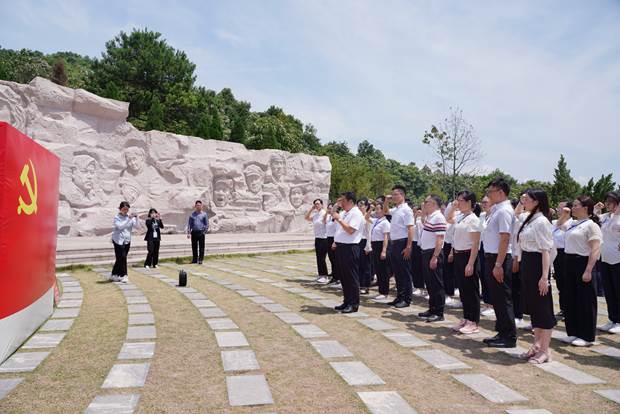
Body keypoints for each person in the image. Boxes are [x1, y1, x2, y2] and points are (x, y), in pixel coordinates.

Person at [514, 189, 556, 363]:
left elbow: (546, 250)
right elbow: (516, 215)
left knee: (543, 308)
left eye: (527, 199)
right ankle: (536, 345)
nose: (524, 202)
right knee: (533, 307)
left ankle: (545, 350)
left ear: (537, 201)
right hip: (527, 263)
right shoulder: (529, 218)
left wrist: (544, 277)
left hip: (538, 264)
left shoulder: (542, 221)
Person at [562, 196, 603, 346]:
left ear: (585, 208)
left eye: (576, 205)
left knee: (585, 300)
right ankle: (573, 332)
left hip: (583, 262)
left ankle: (587, 336)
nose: (572, 208)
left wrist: (588, 270)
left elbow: (595, 248)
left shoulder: (591, 225)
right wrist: (564, 215)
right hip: (569, 261)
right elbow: (558, 226)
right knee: (570, 298)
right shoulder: (572, 223)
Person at [482, 177, 517, 348]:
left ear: (501, 192)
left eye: (491, 192)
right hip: (492, 257)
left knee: (503, 298)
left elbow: (505, 238)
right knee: (497, 298)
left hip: (499, 259)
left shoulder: (504, 211)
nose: (489, 195)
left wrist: (498, 264)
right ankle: (502, 331)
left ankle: (509, 336)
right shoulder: (497, 209)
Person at [447, 191, 481, 334]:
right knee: (463, 290)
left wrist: (471, 263)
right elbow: (448, 218)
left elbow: (475, 243)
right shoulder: (461, 216)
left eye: (460, 200)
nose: (458, 203)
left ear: (469, 202)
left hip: (468, 255)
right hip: (458, 255)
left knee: (471, 290)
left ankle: (473, 321)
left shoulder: (473, 219)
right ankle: (466, 318)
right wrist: (452, 207)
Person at [332, 191, 365, 313]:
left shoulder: (356, 213)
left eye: (343, 201)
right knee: (344, 276)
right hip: (341, 247)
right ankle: (347, 301)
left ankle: (353, 304)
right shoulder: (344, 213)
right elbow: (339, 228)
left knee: (351, 276)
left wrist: (339, 219)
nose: (341, 203)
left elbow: (350, 230)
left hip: (350, 248)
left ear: (350, 201)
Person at [383, 186, 415, 308]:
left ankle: (406, 299)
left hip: (403, 242)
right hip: (394, 243)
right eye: (393, 195)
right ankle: (400, 296)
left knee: (404, 272)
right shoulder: (396, 209)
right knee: (397, 271)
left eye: (396, 194)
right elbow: (385, 211)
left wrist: (409, 246)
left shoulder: (406, 210)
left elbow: (410, 228)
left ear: (403, 195)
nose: (394, 197)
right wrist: (386, 201)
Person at [418, 194, 448, 322]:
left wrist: (435, 257)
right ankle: (432, 308)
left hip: (433, 253)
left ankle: (439, 312)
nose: (424, 204)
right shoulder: (431, 216)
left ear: (434, 204)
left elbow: (440, 239)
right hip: (426, 252)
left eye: (427, 202)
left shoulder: (439, 217)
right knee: (430, 283)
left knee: (436, 283)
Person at [597, 191, 620, 334]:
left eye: (611, 202)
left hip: (618, 259)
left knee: (618, 290)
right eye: (607, 202)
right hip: (605, 258)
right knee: (609, 291)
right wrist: (596, 209)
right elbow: (594, 219)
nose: (608, 204)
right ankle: (612, 318)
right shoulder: (605, 217)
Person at [552, 200, 573, 321]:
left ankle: (570, 309)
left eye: (561, 208)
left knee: (567, 283)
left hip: (567, 253)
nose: (558, 210)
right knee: (560, 283)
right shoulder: (554, 222)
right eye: (558, 208)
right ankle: (563, 308)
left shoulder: (572, 223)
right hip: (556, 254)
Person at [111, 201, 141, 283]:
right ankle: (124, 275)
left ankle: (114, 274)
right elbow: (120, 226)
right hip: (118, 240)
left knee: (120, 258)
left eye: (127, 209)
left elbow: (138, 227)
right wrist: (129, 219)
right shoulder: (117, 217)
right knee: (123, 257)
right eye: (124, 209)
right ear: (120, 209)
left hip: (127, 240)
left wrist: (137, 217)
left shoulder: (130, 217)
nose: (125, 211)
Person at [370, 202, 391, 300]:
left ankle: (384, 292)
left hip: (381, 246)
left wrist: (384, 251)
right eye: (376, 209)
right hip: (375, 246)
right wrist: (370, 209)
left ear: (384, 210)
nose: (377, 211)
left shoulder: (385, 222)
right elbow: (366, 218)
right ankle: (381, 291)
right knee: (378, 270)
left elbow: (386, 237)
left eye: (379, 209)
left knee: (384, 270)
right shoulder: (376, 221)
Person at [305, 199, 329, 283]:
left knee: (322, 258)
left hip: (324, 238)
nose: (316, 205)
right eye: (315, 204)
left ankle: (325, 275)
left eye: (318, 204)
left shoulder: (324, 213)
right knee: (318, 257)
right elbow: (306, 218)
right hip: (317, 238)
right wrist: (311, 209)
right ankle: (320, 275)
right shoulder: (316, 214)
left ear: (322, 204)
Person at [478, 196, 494, 316]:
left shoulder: (495, 215)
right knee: (483, 275)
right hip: (482, 246)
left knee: (490, 276)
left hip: (491, 247)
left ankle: (492, 304)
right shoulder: (482, 215)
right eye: (482, 202)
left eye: (486, 202)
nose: (483, 204)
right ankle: (487, 302)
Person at [358, 198, 373, 294]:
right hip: (358, 241)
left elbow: (369, 232)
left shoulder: (368, 217)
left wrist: (368, 246)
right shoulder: (357, 216)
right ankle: (359, 284)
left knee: (366, 265)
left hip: (365, 241)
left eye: (362, 205)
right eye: (359, 205)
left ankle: (365, 286)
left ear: (366, 206)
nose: (360, 207)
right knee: (359, 265)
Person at [187, 200, 209, 264]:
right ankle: (194, 259)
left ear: (201, 206)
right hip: (194, 232)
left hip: (201, 232)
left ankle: (200, 259)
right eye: (197, 205)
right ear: (195, 206)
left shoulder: (204, 214)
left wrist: (204, 231)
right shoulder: (192, 215)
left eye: (199, 205)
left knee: (201, 247)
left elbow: (207, 224)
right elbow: (189, 224)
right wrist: (188, 233)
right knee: (194, 247)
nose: (198, 206)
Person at [325, 203, 341, 286]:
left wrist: (335, 242)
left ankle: (338, 278)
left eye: (331, 208)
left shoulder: (337, 217)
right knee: (331, 259)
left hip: (334, 239)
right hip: (329, 238)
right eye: (329, 208)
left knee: (335, 260)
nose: (330, 210)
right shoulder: (330, 217)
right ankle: (334, 276)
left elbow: (338, 230)